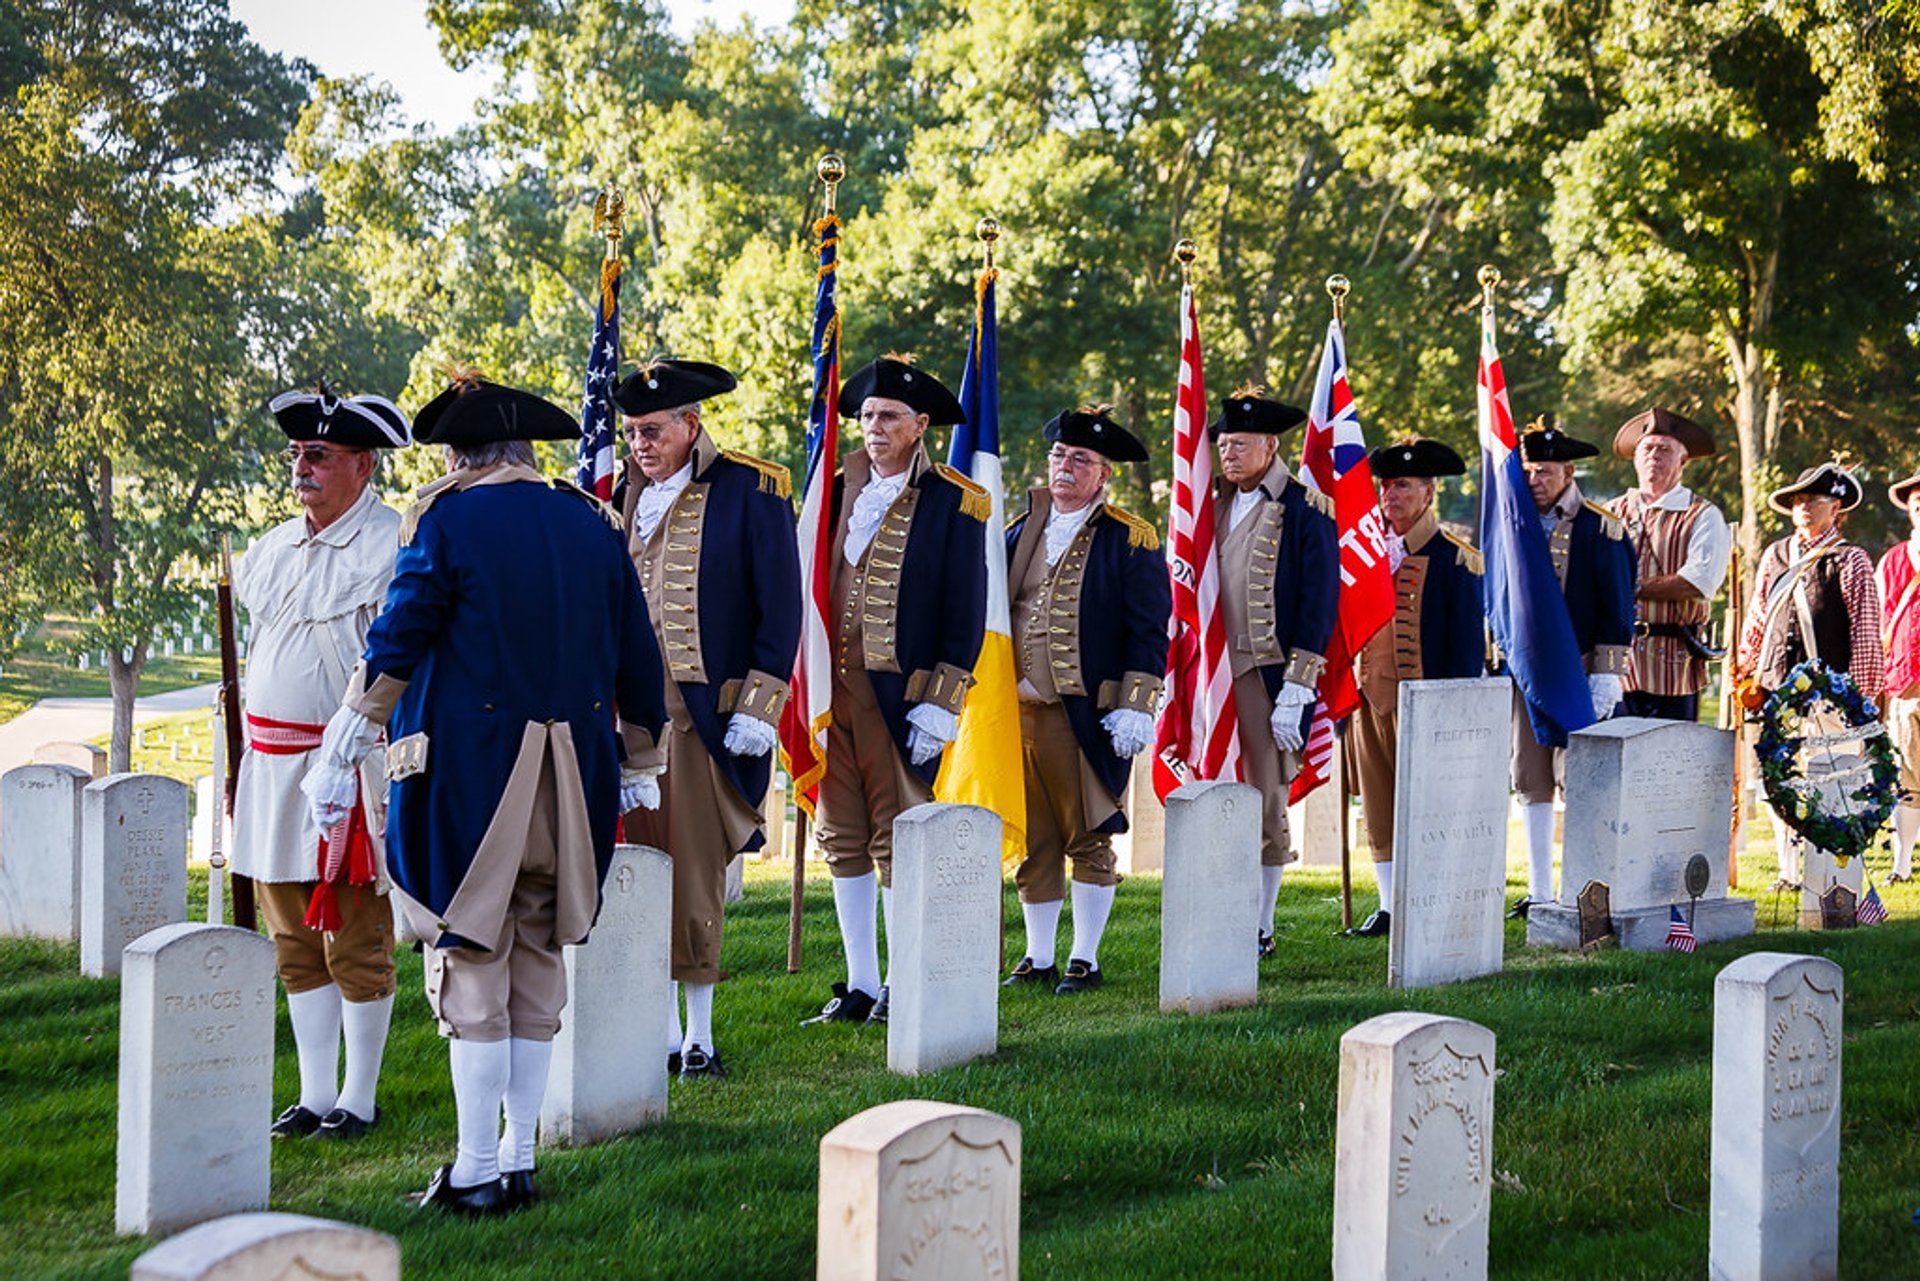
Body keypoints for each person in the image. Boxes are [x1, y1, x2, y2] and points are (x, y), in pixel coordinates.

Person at [304, 373, 666, 1215]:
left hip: (474, 781)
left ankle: (472, 1170)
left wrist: (348, 735)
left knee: (472, 963)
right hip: (576, 784)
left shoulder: (447, 516)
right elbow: (636, 652)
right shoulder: (592, 519)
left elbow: (401, 634)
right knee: (538, 958)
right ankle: (520, 1156)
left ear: (461, 455)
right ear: (526, 451)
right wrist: (640, 753)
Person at [612, 360, 800, 1076]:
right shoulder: (622, 497)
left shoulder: (754, 488)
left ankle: (699, 1035)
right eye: (632, 432)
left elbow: (780, 606)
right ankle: (656, 1029)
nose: (641, 444)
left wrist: (761, 704)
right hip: (633, 721)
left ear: (691, 425)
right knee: (641, 865)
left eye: (653, 430)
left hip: (699, 720)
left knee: (692, 875)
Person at [235, 387, 409, 1143]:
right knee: (293, 939)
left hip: (350, 769)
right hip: (272, 768)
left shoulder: (395, 544)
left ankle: (359, 1099)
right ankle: (311, 1094)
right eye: (297, 455)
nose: (301, 467)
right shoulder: (272, 546)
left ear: (363, 466)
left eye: (319, 455)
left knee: (357, 938)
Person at [808, 356, 987, 1026]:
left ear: (919, 426)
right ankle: (861, 984)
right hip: (834, 691)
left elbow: (964, 608)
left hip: (902, 697)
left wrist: (942, 699)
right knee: (841, 836)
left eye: (888, 416)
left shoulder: (954, 500)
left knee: (898, 839)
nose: (873, 427)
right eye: (866, 416)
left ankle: (906, 981)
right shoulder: (833, 487)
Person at [1001, 407, 1170, 995]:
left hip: (1086, 714)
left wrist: (1136, 702)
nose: (1065, 467)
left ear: (1104, 475)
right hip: (1018, 714)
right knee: (1035, 839)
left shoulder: (1129, 538)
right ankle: (1038, 955)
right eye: (1059, 456)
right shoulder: (1019, 532)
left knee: (1089, 836)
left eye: (1080, 460)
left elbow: (1149, 629)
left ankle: (1085, 957)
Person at [1211, 389, 1337, 952]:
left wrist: (1298, 685)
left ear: (1270, 446)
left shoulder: (1307, 509)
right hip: (1212, 674)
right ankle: (1214, 901)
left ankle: (1260, 923)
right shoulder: (1205, 505)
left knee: (1265, 798)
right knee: (1212, 790)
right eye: (1222, 442)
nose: (1228, 453)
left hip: (1266, 673)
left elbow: (1318, 602)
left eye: (1239, 444)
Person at [1344, 438, 1485, 938]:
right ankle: (1388, 905)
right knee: (1378, 806)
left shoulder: (1455, 560)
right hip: (1369, 699)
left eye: (1402, 485)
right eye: (1385, 485)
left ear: (1428, 492)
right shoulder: (1363, 554)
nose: (1390, 495)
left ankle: (1432, 897)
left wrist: (1456, 713)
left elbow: (1466, 649)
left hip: (1426, 705)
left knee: (1428, 807)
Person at [1508, 418, 1636, 919]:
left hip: (1582, 671)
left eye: (1544, 472)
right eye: (1529, 471)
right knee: (1530, 777)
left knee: (1581, 780)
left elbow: (1618, 605)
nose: (1535, 480)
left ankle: (1585, 886)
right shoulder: (1514, 525)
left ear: (1566, 471)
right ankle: (1540, 888)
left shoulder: (1601, 528)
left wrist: (1607, 672)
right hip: (1527, 673)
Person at [1736, 460, 1884, 890]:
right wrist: (1747, 669)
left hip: (1830, 693)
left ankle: (1828, 874)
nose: (1802, 508)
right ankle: (1787, 871)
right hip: (1778, 689)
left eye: (1811, 501)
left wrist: (1858, 694)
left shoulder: (1851, 559)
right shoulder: (1776, 555)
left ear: (1835, 507)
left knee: (1831, 779)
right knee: (1779, 779)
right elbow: (1759, 618)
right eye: (1797, 501)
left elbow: (1866, 631)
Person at [1610, 408, 1732, 722]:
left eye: (1664, 450)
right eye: (1647, 449)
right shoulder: (1609, 513)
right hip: (1615, 663)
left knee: (1671, 759)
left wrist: (1629, 587)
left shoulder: (1703, 515)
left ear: (1683, 461)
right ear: (1635, 459)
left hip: (1673, 663)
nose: (1654, 456)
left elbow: (1697, 582)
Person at [1879, 468, 1920, 882]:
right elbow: (1881, 622)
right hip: (1905, 682)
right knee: (1907, 777)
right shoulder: (1893, 561)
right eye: (1917, 501)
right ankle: (1902, 865)